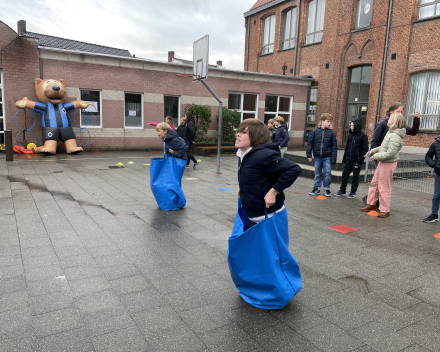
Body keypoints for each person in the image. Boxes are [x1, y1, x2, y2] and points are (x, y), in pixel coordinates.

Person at [235, 119, 301, 228]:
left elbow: (293, 169)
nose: (238, 134)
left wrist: (274, 191)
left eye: (244, 132)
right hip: (250, 214)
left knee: (268, 245)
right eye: (239, 131)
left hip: (266, 218)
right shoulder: (243, 154)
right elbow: (253, 173)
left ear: (256, 136)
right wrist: (242, 185)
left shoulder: (264, 155)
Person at [362, 103, 420, 206]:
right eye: (398, 111)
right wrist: (374, 155)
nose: (401, 114)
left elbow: (413, 131)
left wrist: (417, 119)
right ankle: (372, 202)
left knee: (382, 184)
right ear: (391, 112)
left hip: (387, 158)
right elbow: (375, 140)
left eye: (402, 112)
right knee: (376, 183)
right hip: (380, 156)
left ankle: (378, 205)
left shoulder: (397, 125)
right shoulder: (383, 124)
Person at [360, 113, 407, 218]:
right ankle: (371, 204)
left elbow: (390, 153)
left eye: (391, 119)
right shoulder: (390, 133)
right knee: (374, 183)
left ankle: (385, 209)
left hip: (388, 164)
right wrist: (372, 151)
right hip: (383, 162)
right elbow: (383, 147)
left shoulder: (394, 136)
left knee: (384, 187)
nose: (388, 119)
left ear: (394, 122)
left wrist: (376, 156)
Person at [334, 118, 369, 199]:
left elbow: (365, 149)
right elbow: (347, 148)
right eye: (350, 125)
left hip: (356, 160)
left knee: (355, 177)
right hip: (348, 159)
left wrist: (360, 161)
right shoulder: (350, 135)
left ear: (357, 125)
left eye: (353, 125)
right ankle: (342, 190)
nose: (351, 127)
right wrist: (344, 159)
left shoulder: (363, 136)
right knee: (344, 175)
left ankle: (353, 192)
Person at [306, 113, 337, 197]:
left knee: (327, 173)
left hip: (327, 157)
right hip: (317, 157)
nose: (329, 123)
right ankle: (316, 188)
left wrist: (333, 158)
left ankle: (326, 188)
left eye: (330, 122)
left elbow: (334, 146)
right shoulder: (315, 131)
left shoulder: (332, 133)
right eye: (328, 121)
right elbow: (310, 144)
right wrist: (309, 155)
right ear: (322, 121)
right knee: (317, 173)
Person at [423, 137, 440, 223]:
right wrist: (434, 165)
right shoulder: (436, 144)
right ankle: (434, 215)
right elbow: (428, 156)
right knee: (436, 195)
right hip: (439, 174)